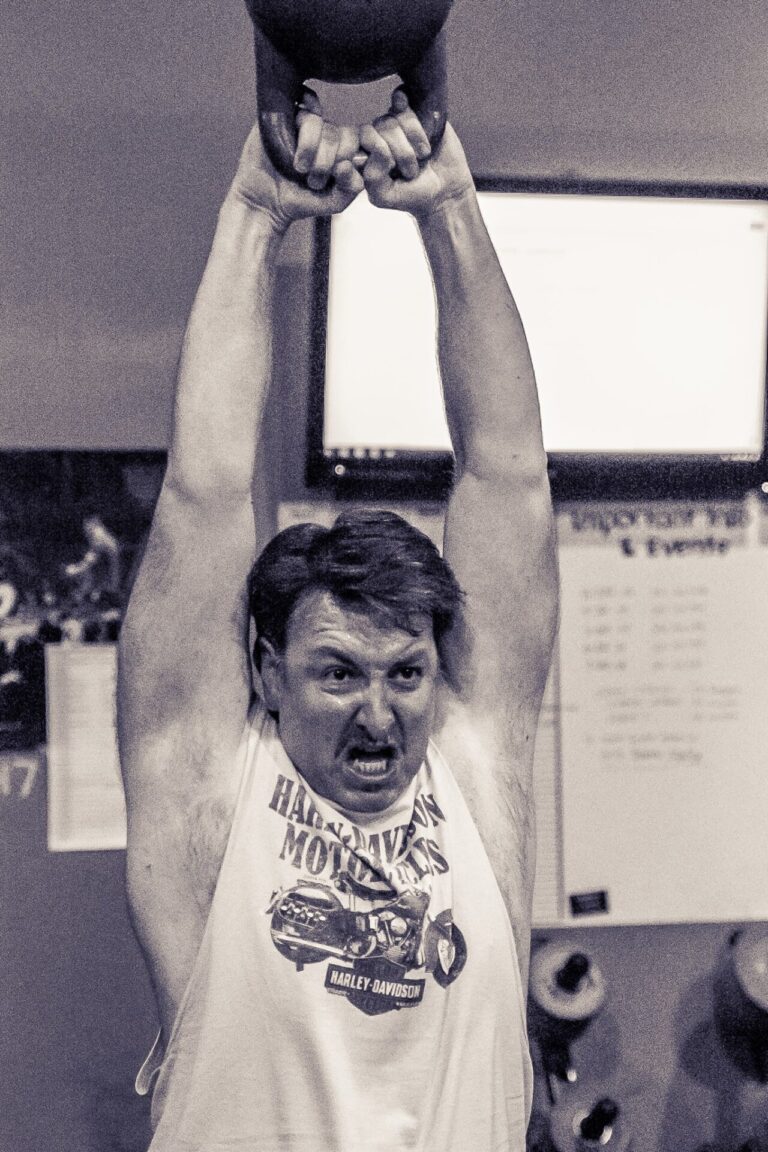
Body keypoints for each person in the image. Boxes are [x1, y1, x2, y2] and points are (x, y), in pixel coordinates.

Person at [117, 88, 559, 1152]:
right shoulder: (213, 800)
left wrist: (450, 205)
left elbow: (508, 479)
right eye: (338, 673)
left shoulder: (470, 771)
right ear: (266, 673)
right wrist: (256, 212)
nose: (380, 714)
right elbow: (207, 492)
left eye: (405, 673)